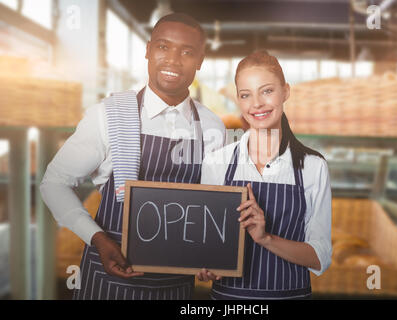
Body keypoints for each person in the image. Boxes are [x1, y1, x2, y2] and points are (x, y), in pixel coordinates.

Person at [40, 13, 226, 300]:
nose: (173, 60)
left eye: (187, 52)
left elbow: (213, 205)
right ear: (148, 50)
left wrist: (212, 254)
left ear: (200, 60)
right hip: (106, 279)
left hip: (175, 286)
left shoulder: (212, 126)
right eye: (163, 47)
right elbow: (54, 183)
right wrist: (98, 239)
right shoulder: (110, 114)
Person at [198, 51, 332, 300]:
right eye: (246, 95)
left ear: (286, 92)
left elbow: (320, 256)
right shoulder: (217, 162)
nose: (256, 103)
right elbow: (208, 243)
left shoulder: (313, 166)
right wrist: (205, 263)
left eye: (267, 91)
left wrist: (266, 238)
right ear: (238, 100)